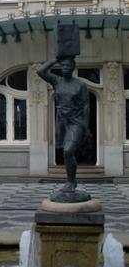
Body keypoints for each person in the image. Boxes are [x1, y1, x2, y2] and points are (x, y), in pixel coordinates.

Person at [37, 56, 89, 192]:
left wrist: (85, 126)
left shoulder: (80, 85)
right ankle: (71, 181)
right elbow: (40, 71)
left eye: (68, 66)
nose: (65, 68)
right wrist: (54, 59)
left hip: (76, 121)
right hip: (62, 121)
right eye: (63, 66)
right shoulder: (57, 81)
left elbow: (86, 107)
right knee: (65, 150)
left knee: (68, 150)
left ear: (73, 68)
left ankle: (71, 181)